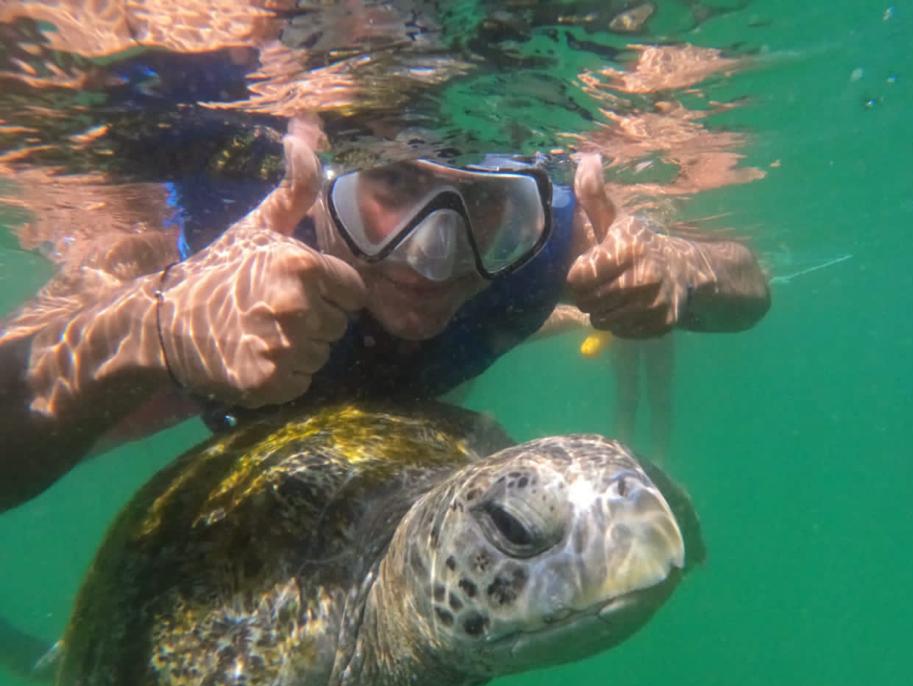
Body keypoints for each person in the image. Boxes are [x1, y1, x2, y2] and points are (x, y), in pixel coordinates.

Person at [0, 119, 770, 513]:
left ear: (527, 200)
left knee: (549, 310)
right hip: (218, 385)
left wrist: (678, 271)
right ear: (329, 175)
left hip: (414, 392)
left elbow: (749, 286)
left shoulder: (548, 239)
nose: (431, 259)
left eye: (480, 202)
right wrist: (158, 331)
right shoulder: (204, 248)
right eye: (392, 186)